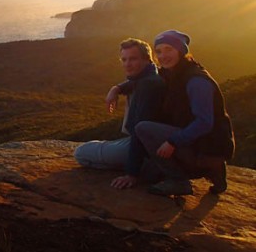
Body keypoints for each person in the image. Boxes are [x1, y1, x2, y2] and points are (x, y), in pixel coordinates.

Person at [134, 30, 235, 196]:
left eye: (169, 49)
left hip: (206, 147)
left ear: (181, 51)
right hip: (206, 144)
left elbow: (204, 122)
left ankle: (179, 180)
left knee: (143, 128)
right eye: (159, 51)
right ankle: (214, 171)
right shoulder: (177, 73)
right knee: (148, 173)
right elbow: (146, 76)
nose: (163, 55)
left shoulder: (196, 81)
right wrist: (118, 88)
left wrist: (172, 142)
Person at [74, 38, 166, 189]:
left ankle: (145, 168)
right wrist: (116, 88)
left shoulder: (148, 87)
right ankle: (133, 161)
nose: (127, 64)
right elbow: (133, 82)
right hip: (146, 144)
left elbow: (140, 132)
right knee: (96, 148)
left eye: (133, 59)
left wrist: (131, 174)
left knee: (81, 153)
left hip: (145, 147)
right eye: (124, 59)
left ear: (147, 59)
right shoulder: (151, 77)